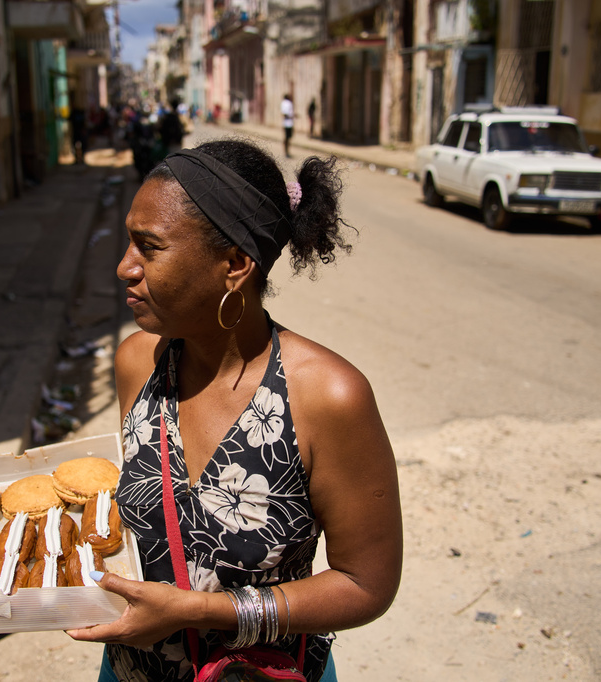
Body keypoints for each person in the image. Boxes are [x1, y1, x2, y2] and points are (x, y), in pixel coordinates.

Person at [67, 139, 403, 681]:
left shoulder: (327, 397)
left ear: (235, 265)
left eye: (148, 248)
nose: (124, 268)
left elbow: (365, 584)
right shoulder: (137, 363)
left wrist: (201, 612)